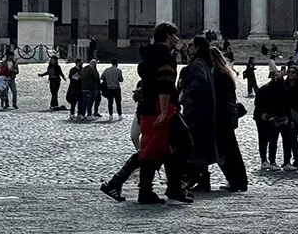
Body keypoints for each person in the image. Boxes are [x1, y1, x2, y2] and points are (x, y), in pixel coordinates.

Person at [102, 21, 192, 204]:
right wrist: (164, 111)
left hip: (148, 108)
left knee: (157, 149)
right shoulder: (165, 57)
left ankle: (145, 190)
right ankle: (167, 187)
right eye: (175, 35)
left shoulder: (148, 55)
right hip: (162, 109)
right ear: (168, 35)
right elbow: (164, 84)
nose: (177, 39)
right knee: (184, 144)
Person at [179, 36, 217, 191]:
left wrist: (186, 95)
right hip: (203, 111)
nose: (188, 47)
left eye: (191, 45)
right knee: (200, 146)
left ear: (197, 48)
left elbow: (199, 84)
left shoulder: (197, 64)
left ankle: (194, 178)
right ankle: (203, 181)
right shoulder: (205, 63)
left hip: (196, 112)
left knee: (193, 145)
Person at [210, 46, 248, 191]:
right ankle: (238, 181)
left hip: (221, 117)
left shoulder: (216, 74)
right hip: (227, 115)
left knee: (225, 151)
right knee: (230, 150)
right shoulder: (225, 72)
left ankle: (236, 181)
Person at [254, 70, 288, 169]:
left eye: (279, 75)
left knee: (273, 140)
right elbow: (258, 103)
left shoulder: (283, 89)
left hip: (275, 118)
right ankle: (264, 160)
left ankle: (272, 161)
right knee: (263, 139)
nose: (277, 77)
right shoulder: (265, 88)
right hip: (262, 118)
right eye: (275, 75)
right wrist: (263, 113)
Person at [282, 64, 298, 171]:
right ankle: (287, 160)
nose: (290, 74)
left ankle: (296, 160)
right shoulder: (284, 85)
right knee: (286, 138)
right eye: (289, 72)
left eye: (293, 72)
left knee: (292, 138)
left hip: (296, 116)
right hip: (285, 115)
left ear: (297, 74)